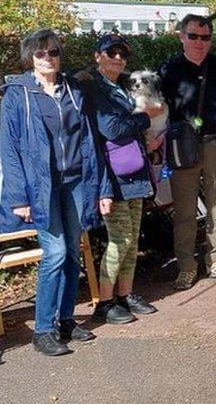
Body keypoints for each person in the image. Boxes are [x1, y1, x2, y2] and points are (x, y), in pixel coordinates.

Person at [0, 29, 111, 355]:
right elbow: (10, 150)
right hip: (41, 186)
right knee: (56, 253)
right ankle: (43, 329)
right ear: (30, 57)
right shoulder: (17, 94)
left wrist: (100, 186)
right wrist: (18, 197)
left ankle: (65, 320)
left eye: (53, 52)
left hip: (75, 181)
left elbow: (91, 141)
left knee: (74, 252)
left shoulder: (74, 91)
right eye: (40, 53)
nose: (47, 58)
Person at [77, 35, 162, 324]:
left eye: (122, 53)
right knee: (119, 238)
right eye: (111, 52)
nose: (118, 57)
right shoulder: (93, 87)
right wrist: (145, 118)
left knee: (131, 238)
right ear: (97, 55)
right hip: (111, 175)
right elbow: (110, 128)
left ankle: (125, 295)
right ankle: (104, 302)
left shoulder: (123, 85)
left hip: (133, 170)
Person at [158, 14, 216, 290]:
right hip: (183, 146)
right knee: (184, 211)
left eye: (205, 37)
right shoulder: (169, 68)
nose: (199, 42)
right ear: (182, 36)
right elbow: (158, 107)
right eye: (193, 36)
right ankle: (186, 266)